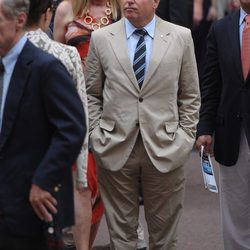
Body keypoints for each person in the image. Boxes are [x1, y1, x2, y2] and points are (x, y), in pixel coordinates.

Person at [85, 0, 200, 247]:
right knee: (122, 238)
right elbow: (91, 93)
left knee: (164, 238)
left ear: (156, 2)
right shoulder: (102, 38)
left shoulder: (180, 36)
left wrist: (185, 137)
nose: (129, 0)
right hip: (114, 147)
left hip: (166, 147)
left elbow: (190, 94)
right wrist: (96, 134)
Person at [0, 0, 86, 249]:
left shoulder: (45, 67)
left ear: (19, 21)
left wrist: (43, 180)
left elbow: (72, 129)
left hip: (30, 204)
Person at [53, 0, 122, 249]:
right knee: (84, 179)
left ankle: (83, 244)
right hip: (75, 107)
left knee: (104, 182)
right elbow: (55, 59)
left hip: (113, 107)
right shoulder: (66, 9)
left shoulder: (122, 8)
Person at [25, 1, 90, 250]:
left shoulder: (8, 51)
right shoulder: (66, 54)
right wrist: (82, 175)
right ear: (47, 15)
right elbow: (79, 116)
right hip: (59, 155)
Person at [196, 1, 250, 249]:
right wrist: (205, 128)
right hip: (231, 132)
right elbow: (211, 83)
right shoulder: (221, 29)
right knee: (236, 208)